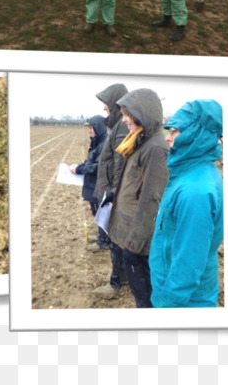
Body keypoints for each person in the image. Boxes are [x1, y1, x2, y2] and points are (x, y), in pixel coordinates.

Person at [149, 99, 224, 308]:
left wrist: (168, 303)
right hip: (183, 292)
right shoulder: (190, 174)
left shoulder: (195, 191)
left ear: (196, 135)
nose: (167, 138)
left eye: (174, 132)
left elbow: (188, 266)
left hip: (185, 301)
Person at [107, 88, 169, 308]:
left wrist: (133, 244)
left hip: (139, 244)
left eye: (128, 114)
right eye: (123, 113)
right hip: (131, 237)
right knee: (139, 293)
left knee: (145, 297)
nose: (124, 120)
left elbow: (152, 201)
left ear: (143, 113)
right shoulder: (140, 141)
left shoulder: (155, 149)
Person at [92, 83, 130, 299]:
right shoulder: (117, 125)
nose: (104, 108)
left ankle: (116, 283)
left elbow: (120, 166)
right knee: (116, 239)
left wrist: (113, 196)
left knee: (116, 240)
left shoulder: (122, 128)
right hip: (114, 193)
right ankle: (121, 278)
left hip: (117, 195)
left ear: (115, 103)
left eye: (106, 103)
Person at [70, 115, 108, 250]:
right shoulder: (97, 141)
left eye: (91, 127)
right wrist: (79, 166)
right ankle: (101, 237)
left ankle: (103, 242)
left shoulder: (104, 144)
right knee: (97, 211)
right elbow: (90, 161)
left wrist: (80, 169)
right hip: (95, 184)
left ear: (98, 127)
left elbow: (97, 166)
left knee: (102, 211)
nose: (89, 130)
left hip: (101, 184)